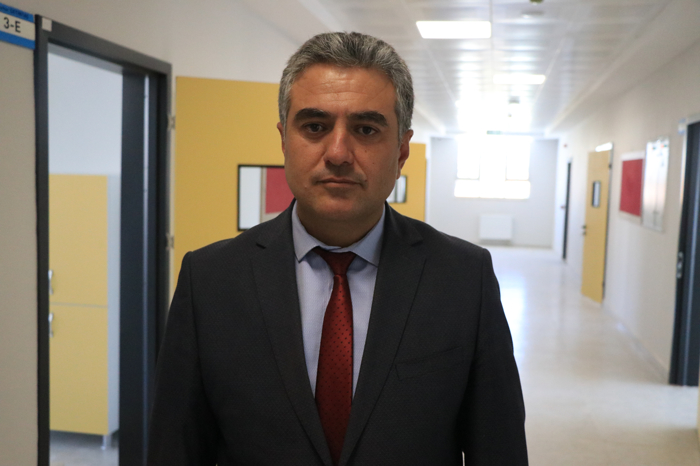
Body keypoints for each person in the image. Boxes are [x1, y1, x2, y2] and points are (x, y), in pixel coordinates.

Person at [148, 32, 527, 466]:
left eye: (366, 129)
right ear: (284, 140)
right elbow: (174, 448)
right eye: (315, 127)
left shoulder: (463, 278)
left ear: (402, 150)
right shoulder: (209, 280)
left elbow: (498, 449)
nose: (339, 153)